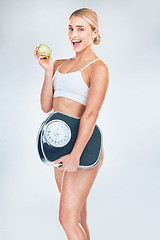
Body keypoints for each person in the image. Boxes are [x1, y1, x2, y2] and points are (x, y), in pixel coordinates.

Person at [34, 7, 109, 240]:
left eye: (80, 29)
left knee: (66, 218)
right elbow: (47, 107)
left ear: (94, 32)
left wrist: (76, 155)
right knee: (77, 218)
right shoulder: (59, 65)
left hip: (83, 147)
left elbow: (91, 114)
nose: (73, 34)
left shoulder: (98, 68)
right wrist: (48, 71)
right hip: (60, 146)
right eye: (70, 28)